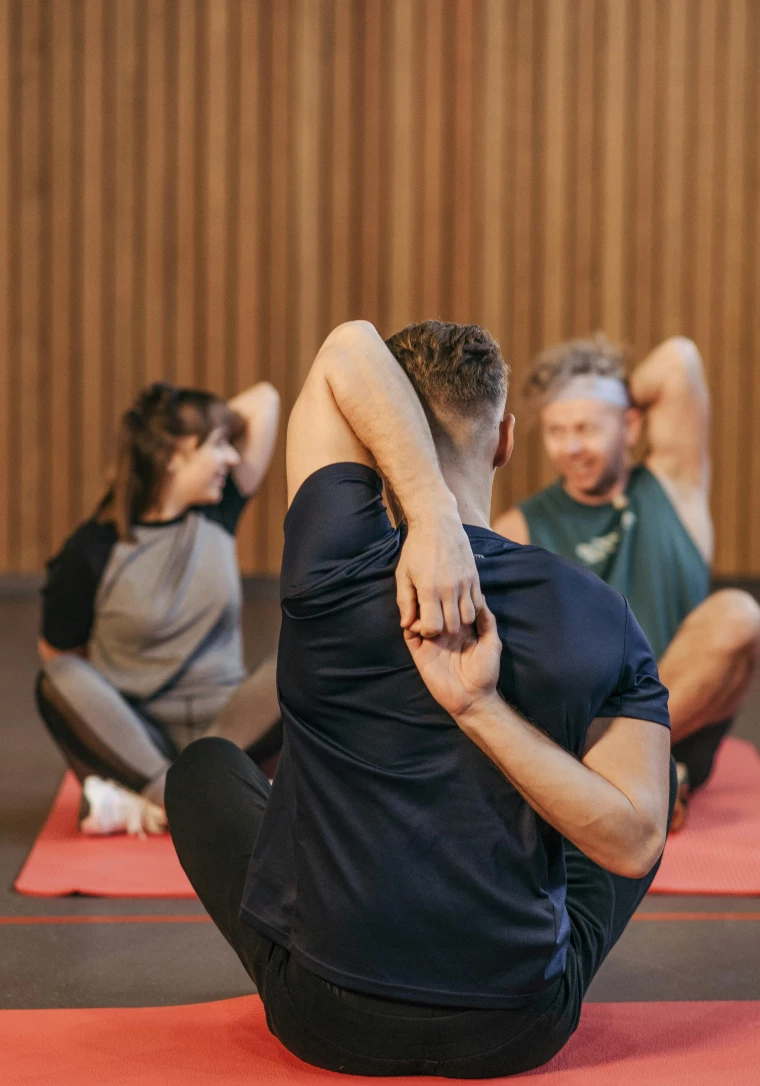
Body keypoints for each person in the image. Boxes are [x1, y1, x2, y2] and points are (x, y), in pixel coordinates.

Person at [166, 320, 675, 1077]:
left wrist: (431, 528)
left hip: (324, 1017)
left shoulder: (328, 567)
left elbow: (345, 348)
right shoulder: (596, 610)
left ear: (370, 445)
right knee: (642, 795)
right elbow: (634, 845)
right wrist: (485, 714)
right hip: (514, 1029)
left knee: (205, 767)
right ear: (504, 439)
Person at [493, 335, 760, 829]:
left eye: (587, 428)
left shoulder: (674, 484)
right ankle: (648, 778)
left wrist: (604, 393)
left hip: (682, 726)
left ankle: (628, 771)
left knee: (740, 613)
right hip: (588, 731)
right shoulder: (520, 527)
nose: (571, 448)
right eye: (556, 431)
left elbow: (679, 358)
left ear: (631, 424)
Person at [36, 380, 282, 836]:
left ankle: (152, 804)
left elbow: (265, 399)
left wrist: (182, 425)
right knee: (57, 681)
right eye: (217, 446)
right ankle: (188, 794)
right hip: (138, 734)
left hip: (227, 725)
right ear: (172, 456)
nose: (231, 458)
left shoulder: (218, 510)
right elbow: (60, 658)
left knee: (307, 655)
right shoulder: (91, 549)